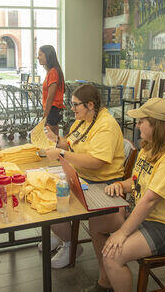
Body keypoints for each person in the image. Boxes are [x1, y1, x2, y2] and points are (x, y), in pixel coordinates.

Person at [81, 98, 165, 292]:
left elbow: (150, 200)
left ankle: (110, 278)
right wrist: (120, 184)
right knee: (97, 225)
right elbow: (137, 181)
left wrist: (123, 232)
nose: (137, 125)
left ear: (157, 125)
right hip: (148, 215)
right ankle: (105, 284)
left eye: (141, 121)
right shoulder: (149, 146)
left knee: (112, 256)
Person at [42, 84, 125, 269]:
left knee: (57, 201)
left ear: (90, 105)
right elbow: (70, 143)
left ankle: (70, 245)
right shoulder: (82, 119)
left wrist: (62, 155)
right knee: (47, 193)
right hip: (80, 175)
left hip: (102, 183)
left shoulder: (106, 125)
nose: (72, 109)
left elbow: (97, 161)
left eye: (75, 105)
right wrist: (55, 140)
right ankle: (62, 236)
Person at [38, 45, 65, 136]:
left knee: (50, 138)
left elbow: (50, 97)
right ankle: (58, 150)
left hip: (53, 109)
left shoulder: (53, 72)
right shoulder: (51, 71)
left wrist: (44, 117)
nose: (38, 57)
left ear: (48, 56)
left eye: (40, 55)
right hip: (53, 109)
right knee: (54, 137)